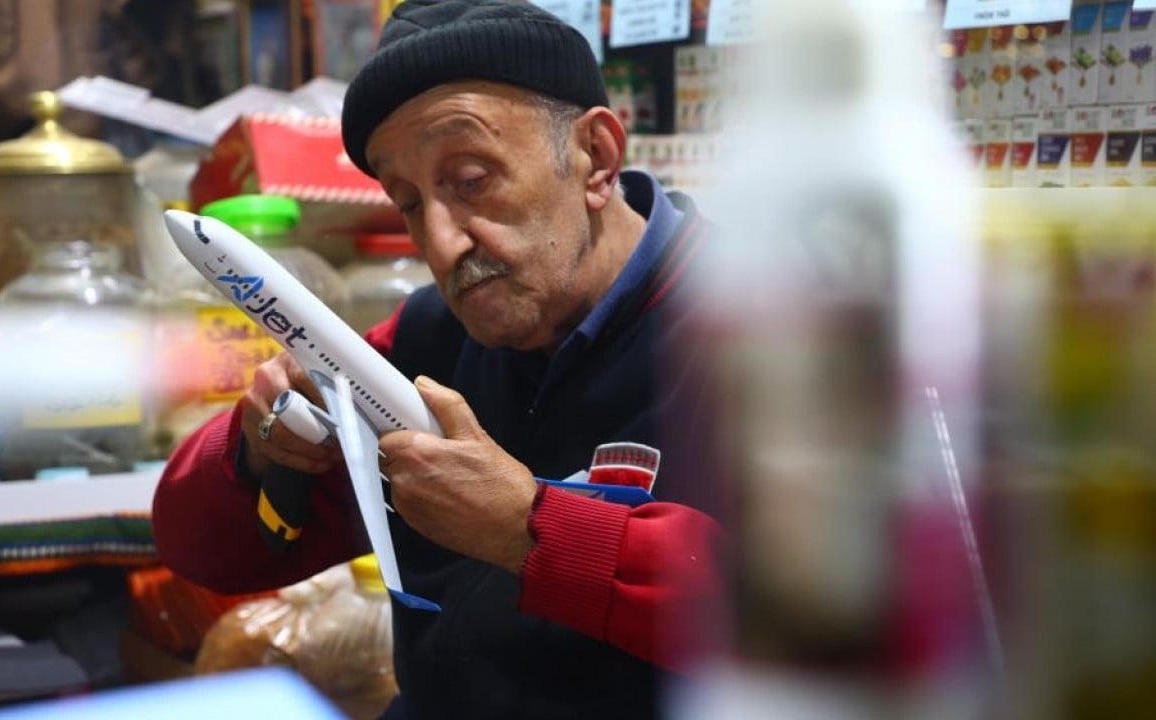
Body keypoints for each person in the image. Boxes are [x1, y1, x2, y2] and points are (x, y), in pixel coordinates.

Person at [153, 0, 727, 716]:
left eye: (472, 178)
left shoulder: (771, 332)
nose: (444, 242)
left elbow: (848, 622)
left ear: (596, 159)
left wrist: (530, 531)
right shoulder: (431, 339)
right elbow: (204, 550)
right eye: (410, 203)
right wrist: (258, 449)